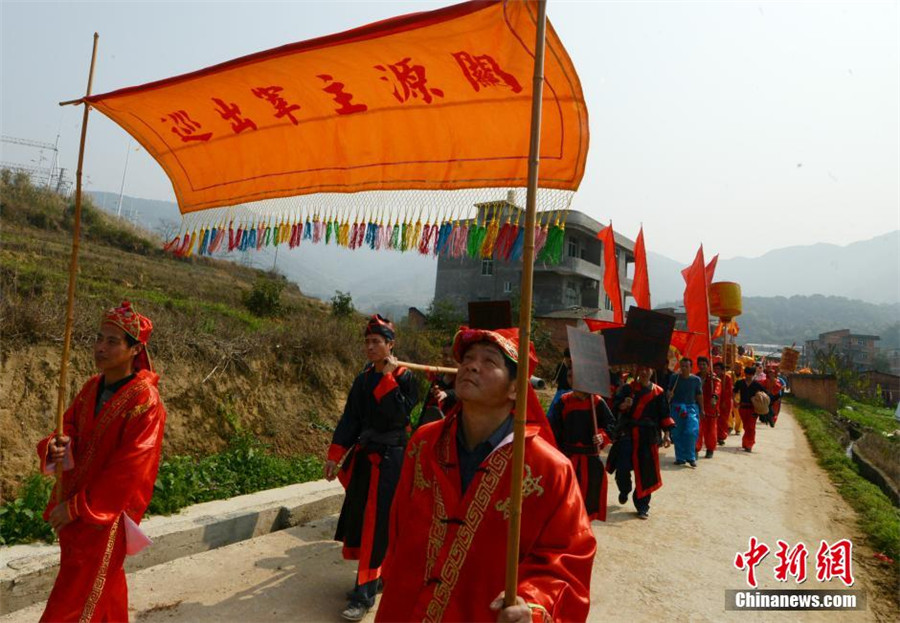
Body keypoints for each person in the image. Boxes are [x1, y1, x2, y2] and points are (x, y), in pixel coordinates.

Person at [376, 327, 595, 623]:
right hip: (407, 607)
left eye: (489, 361)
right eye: (467, 358)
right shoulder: (424, 443)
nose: (472, 365)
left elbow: (567, 560)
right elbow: (400, 522)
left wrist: (532, 603)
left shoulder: (548, 470)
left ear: (516, 388)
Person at [37, 301, 166, 623]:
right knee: (102, 588)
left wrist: (79, 507)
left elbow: (130, 470)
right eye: (99, 338)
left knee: (72, 600)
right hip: (77, 504)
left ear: (135, 349)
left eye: (112, 341)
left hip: (104, 516)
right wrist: (57, 445)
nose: (100, 347)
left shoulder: (145, 403)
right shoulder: (92, 387)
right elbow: (70, 427)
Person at [325, 314, 419, 621]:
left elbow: (399, 416)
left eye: (376, 342)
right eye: (367, 342)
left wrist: (389, 379)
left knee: (377, 526)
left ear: (390, 345)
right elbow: (351, 419)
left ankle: (362, 595)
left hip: (391, 460)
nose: (370, 347)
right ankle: (374, 578)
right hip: (366, 458)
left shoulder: (406, 377)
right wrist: (335, 453)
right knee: (361, 522)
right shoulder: (363, 378)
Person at [547, 368, 615, 521]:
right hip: (568, 459)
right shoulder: (564, 401)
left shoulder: (597, 402)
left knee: (587, 503)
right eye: (570, 377)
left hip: (590, 460)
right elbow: (553, 429)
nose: (573, 381)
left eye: (576, 377)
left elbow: (611, 425)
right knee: (566, 501)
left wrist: (602, 436)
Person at [608, 366, 673, 520]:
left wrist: (667, 435)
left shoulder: (658, 392)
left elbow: (664, 414)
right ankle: (624, 489)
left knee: (646, 472)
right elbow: (614, 407)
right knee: (622, 468)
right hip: (628, 433)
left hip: (648, 436)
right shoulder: (627, 389)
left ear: (652, 371)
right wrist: (624, 405)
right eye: (641, 368)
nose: (644, 372)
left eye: (648, 369)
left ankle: (642, 505)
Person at [666, 357, 703, 467]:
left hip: (691, 407)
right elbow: (669, 391)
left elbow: (699, 395)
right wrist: (669, 394)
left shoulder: (696, 380)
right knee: (677, 433)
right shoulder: (674, 378)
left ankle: (691, 457)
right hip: (677, 407)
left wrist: (702, 409)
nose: (684, 368)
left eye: (686, 366)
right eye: (682, 366)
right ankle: (680, 458)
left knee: (691, 432)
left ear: (691, 367)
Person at [417, 341, 456, 429]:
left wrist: (447, 393)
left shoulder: (464, 380)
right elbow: (426, 407)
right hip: (432, 429)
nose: (448, 360)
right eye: (445, 355)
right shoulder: (438, 379)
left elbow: (461, 394)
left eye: (453, 356)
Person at [733, 366, 768, 452]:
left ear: (753, 375)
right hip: (742, 408)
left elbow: (765, 394)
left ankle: (749, 444)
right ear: (745, 374)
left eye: (751, 374)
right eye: (747, 374)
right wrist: (734, 401)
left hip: (753, 409)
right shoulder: (740, 383)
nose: (749, 376)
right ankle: (746, 442)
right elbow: (734, 392)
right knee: (746, 426)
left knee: (751, 427)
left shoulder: (757, 384)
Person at [694, 357, 721, 459]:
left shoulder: (714, 379)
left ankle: (710, 449)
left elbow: (718, 388)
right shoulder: (695, 378)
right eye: (700, 364)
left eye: (704, 364)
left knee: (710, 430)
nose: (702, 366)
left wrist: (714, 397)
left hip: (710, 407)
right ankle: (696, 449)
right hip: (698, 407)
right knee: (697, 429)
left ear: (708, 366)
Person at [714, 361, 734, 446]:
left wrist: (724, 402)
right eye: (715, 369)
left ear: (722, 370)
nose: (716, 370)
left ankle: (721, 437)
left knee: (722, 420)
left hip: (724, 402)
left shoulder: (727, 378)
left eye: (718, 369)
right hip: (714, 401)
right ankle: (714, 436)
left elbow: (728, 392)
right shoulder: (713, 377)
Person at [548, 347, 572, 414]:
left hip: (570, 391)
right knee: (554, 408)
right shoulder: (560, 365)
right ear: (565, 357)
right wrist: (554, 381)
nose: (569, 361)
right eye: (568, 359)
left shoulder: (573, 366)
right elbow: (557, 376)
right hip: (561, 390)